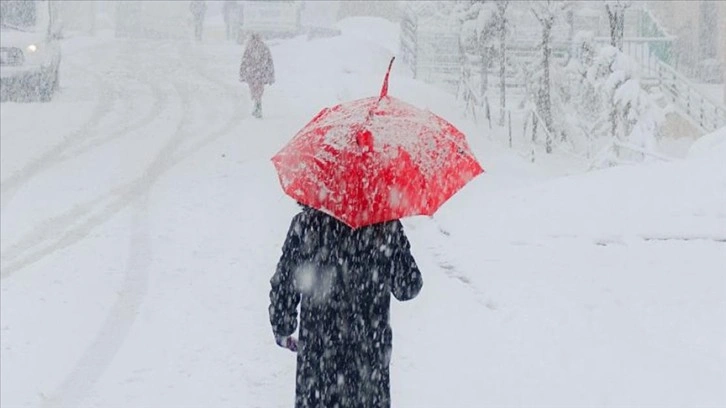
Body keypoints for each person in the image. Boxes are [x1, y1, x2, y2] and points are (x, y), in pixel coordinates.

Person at [269, 205, 423, 408]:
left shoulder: (307, 224)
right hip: (368, 358)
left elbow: (284, 284)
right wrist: (394, 238)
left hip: (318, 357)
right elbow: (408, 287)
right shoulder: (383, 227)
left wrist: (284, 327)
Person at [239, 33, 274, 118]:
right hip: (260, 73)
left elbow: (244, 62)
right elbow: (269, 62)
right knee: (259, 89)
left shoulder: (249, 48)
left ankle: (257, 103)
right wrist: (270, 74)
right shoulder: (264, 47)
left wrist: (243, 73)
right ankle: (258, 103)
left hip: (252, 73)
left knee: (253, 89)